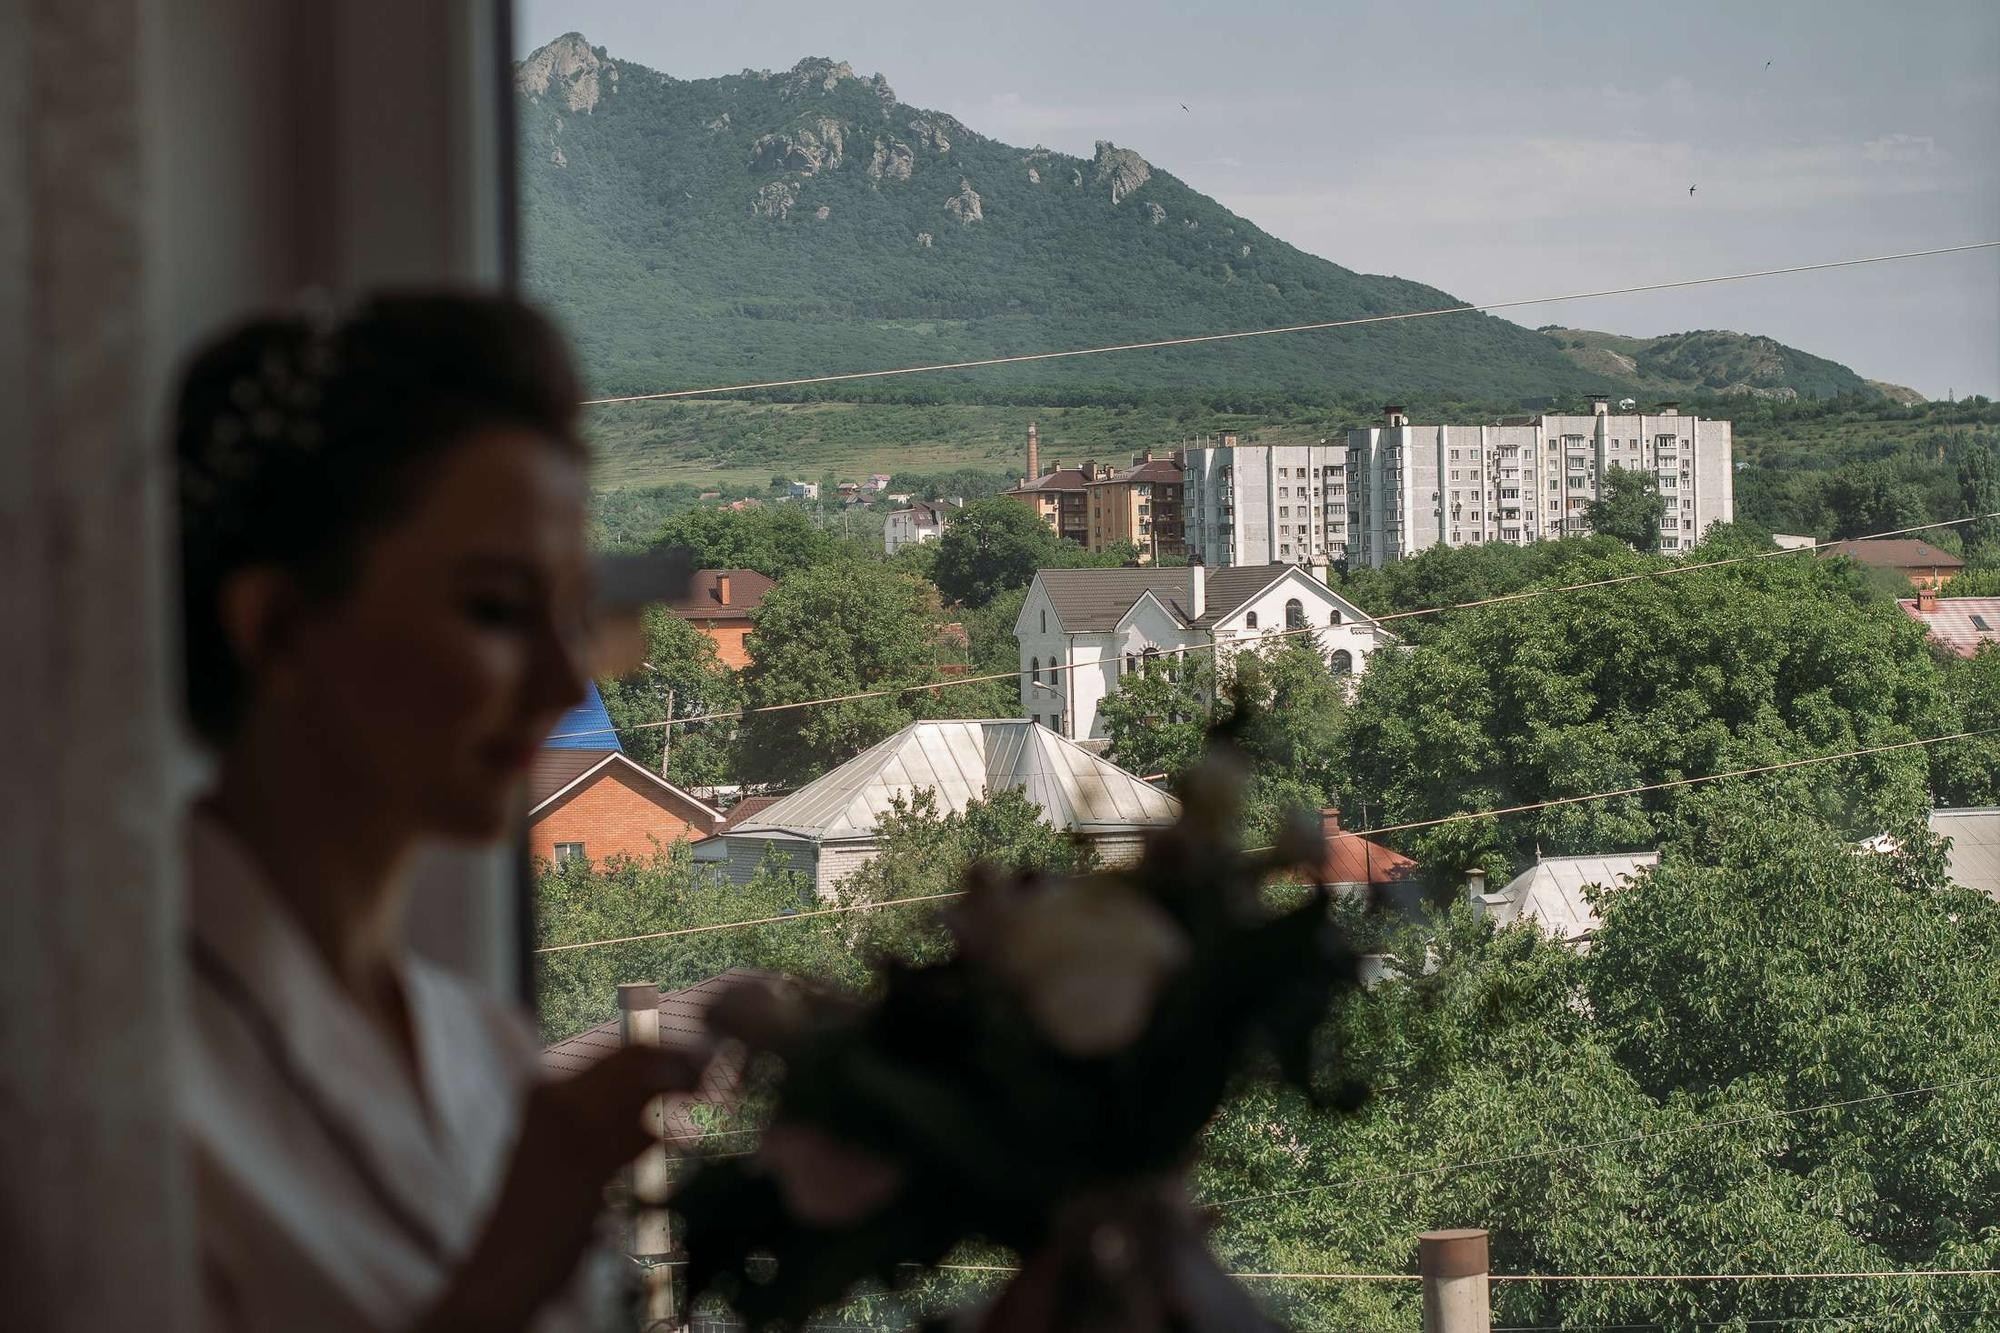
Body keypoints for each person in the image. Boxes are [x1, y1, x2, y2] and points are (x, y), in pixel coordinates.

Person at [174, 293, 700, 1332]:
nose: (564, 679)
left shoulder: (484, 1051)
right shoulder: (101, 1080)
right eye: (497, 610)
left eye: (574, 613)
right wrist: (510, 1269)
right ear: (278, 628)